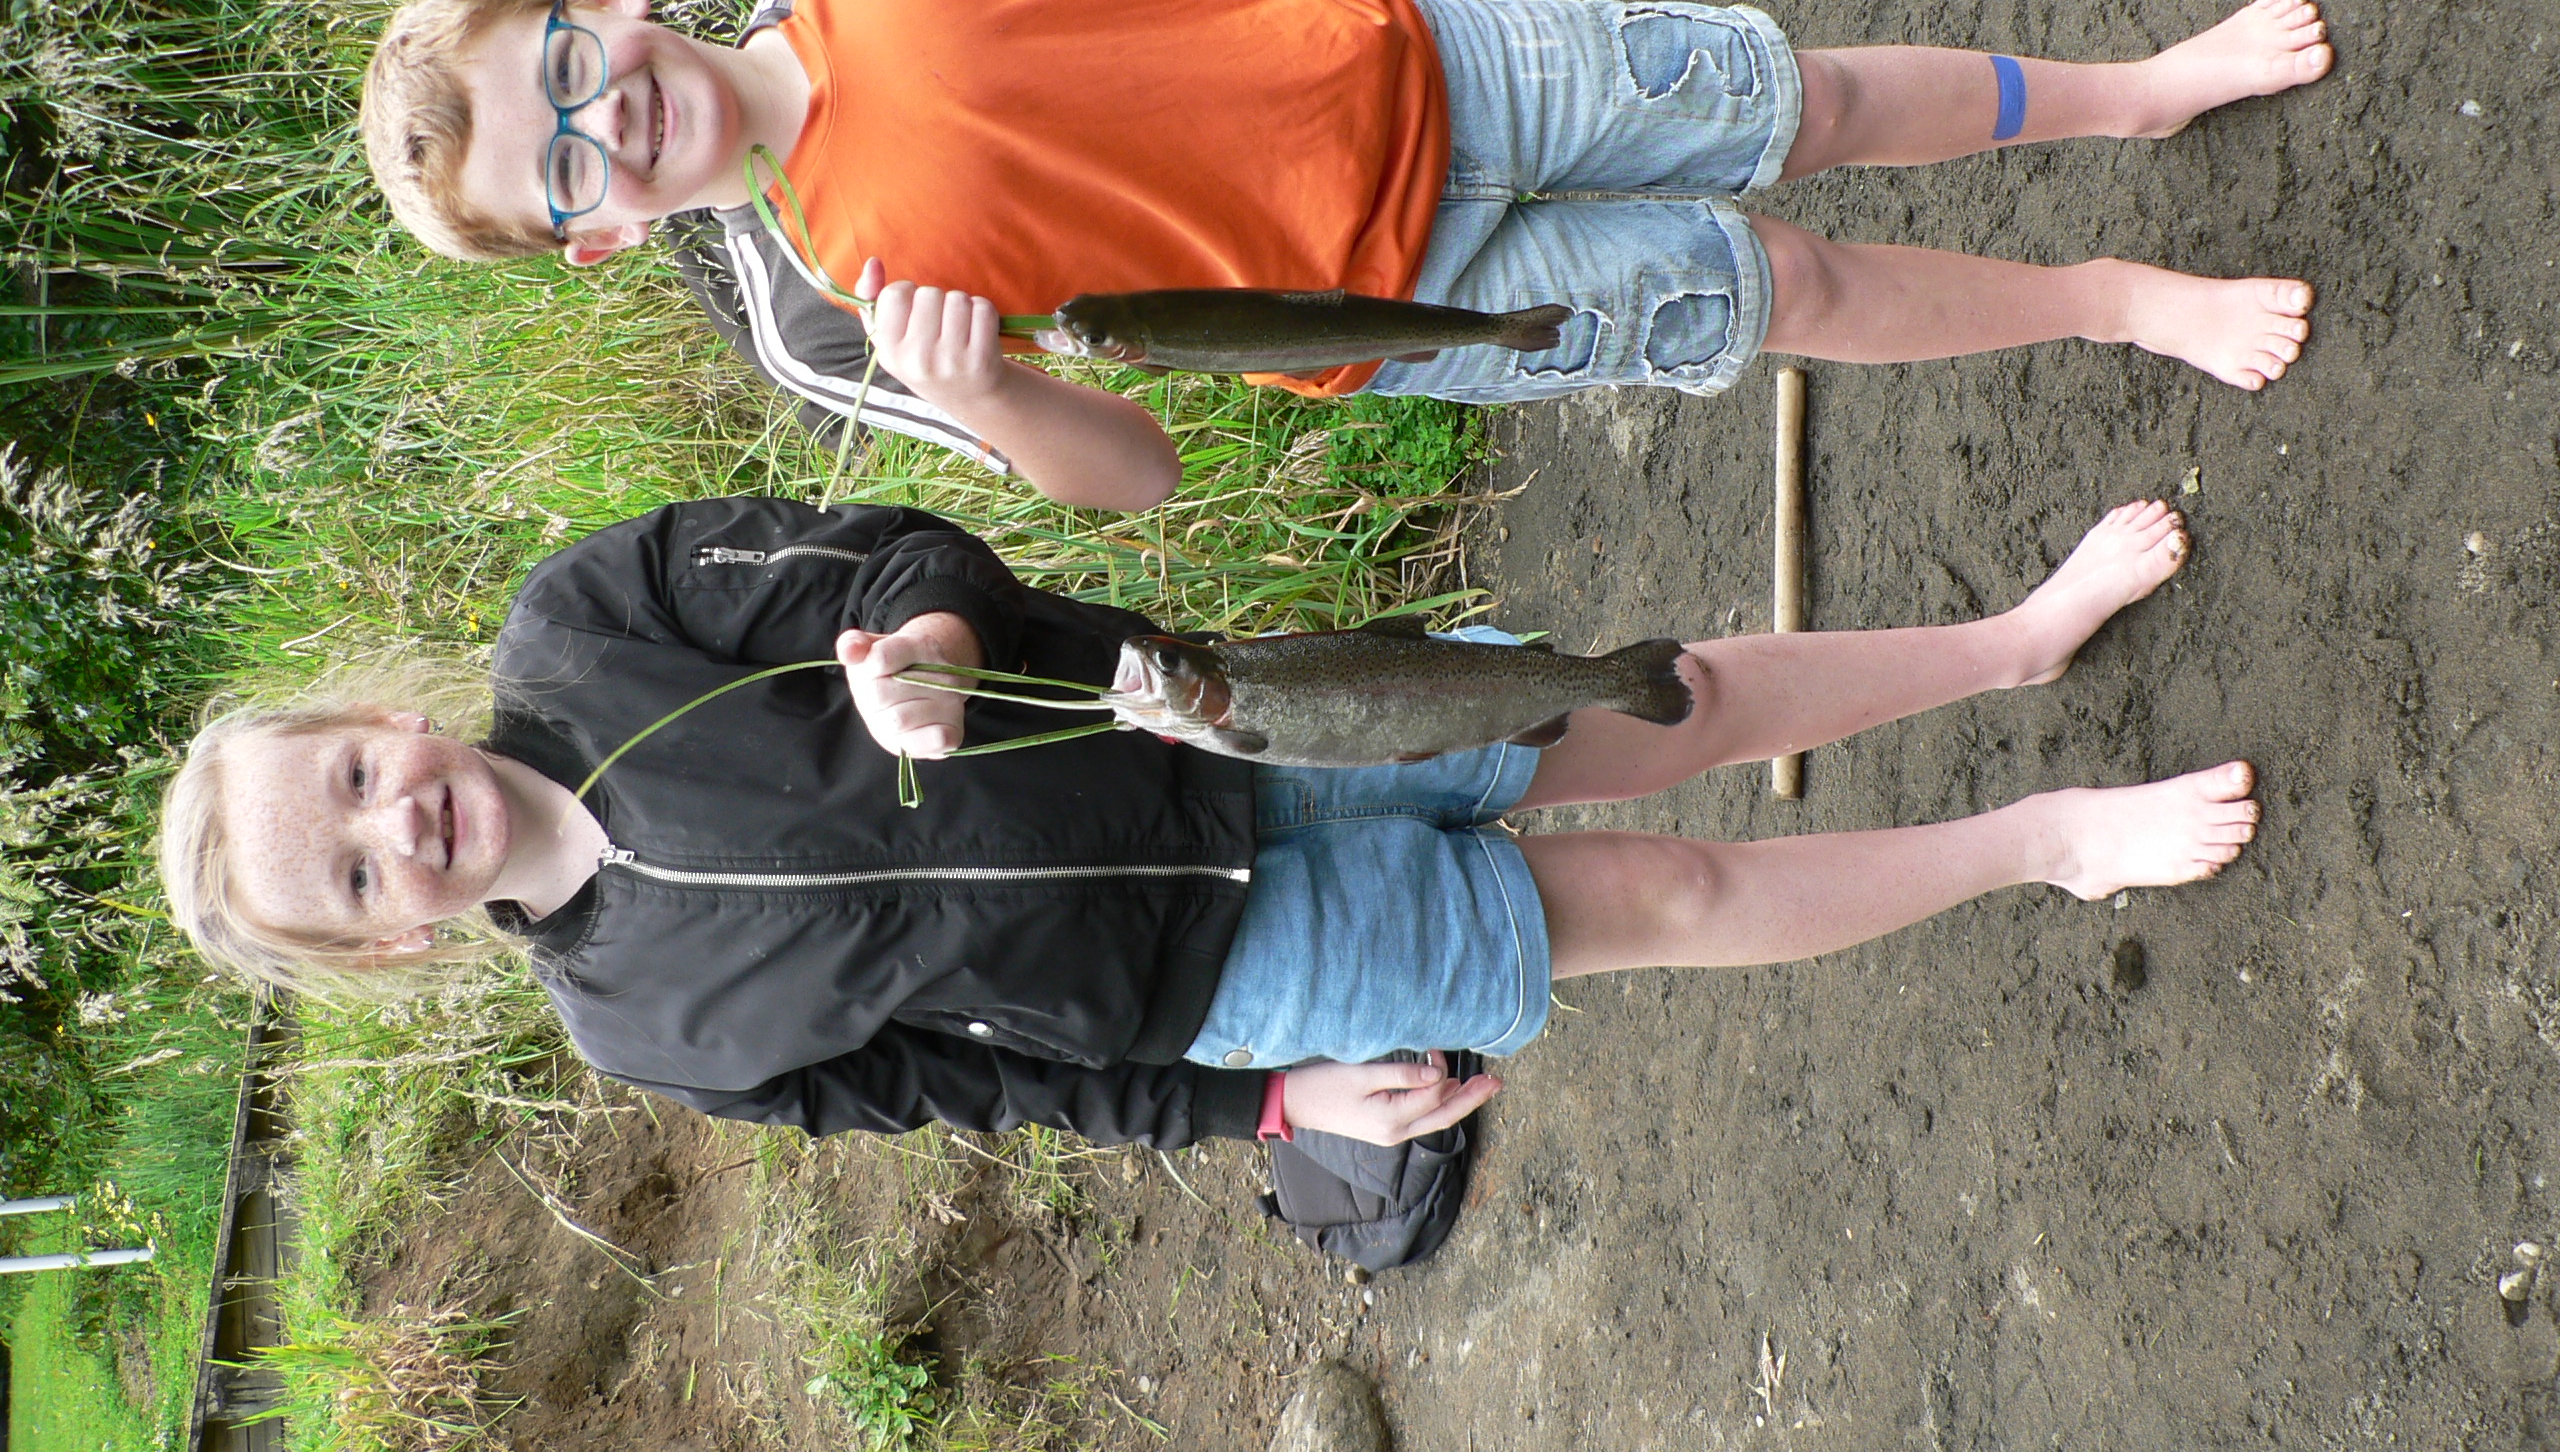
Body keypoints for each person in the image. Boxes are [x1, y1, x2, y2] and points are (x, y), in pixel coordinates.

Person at [159, 493, 2256, 1150]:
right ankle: (2041, 841)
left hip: (1222, 717)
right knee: (1667, 893)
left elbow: (878, 548)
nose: (393, 822)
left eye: (347, 776)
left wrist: (920, 634)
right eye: (348, 874)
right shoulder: (648, 1036)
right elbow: (966, 1095)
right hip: (1232, 983)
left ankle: (2008, 642)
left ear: (369, 719)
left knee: (1651, 703)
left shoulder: (585, 624)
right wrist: (1261, 1115)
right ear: (383, 944)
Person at [359, 0, 2330, 514]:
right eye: (560, 181)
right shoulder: (819, 322)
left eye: (564, 76)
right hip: (1383, 324)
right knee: (1778, 285)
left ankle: (2127, 93)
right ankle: (2110, 297)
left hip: (1430, 66)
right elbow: (1133, 474)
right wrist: (982, 394)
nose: (599, 126)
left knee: (1791, 99)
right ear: (592, 240)